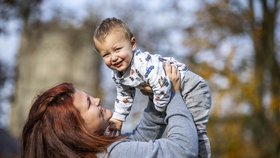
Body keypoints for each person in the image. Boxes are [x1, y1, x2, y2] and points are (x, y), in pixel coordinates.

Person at [21, 63, 199, 158]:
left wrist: (158, 98)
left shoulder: (100, 152)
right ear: (75, 129)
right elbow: (183, 150)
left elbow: (140, 141)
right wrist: (174, 95)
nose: (97, 100)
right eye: (89, 103)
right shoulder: (110, 154)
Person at [93, 17, 212, 157]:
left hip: (189, 86)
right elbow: (124, 96)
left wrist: (162, 106)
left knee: (195, 132)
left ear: (132, 44)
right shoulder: (118, 74)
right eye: (106, 54)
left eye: (117, 49)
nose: (113, 58)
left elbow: (161, 84)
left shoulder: (142, 64)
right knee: (187, 131)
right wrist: (118, 118)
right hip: (172, 90)